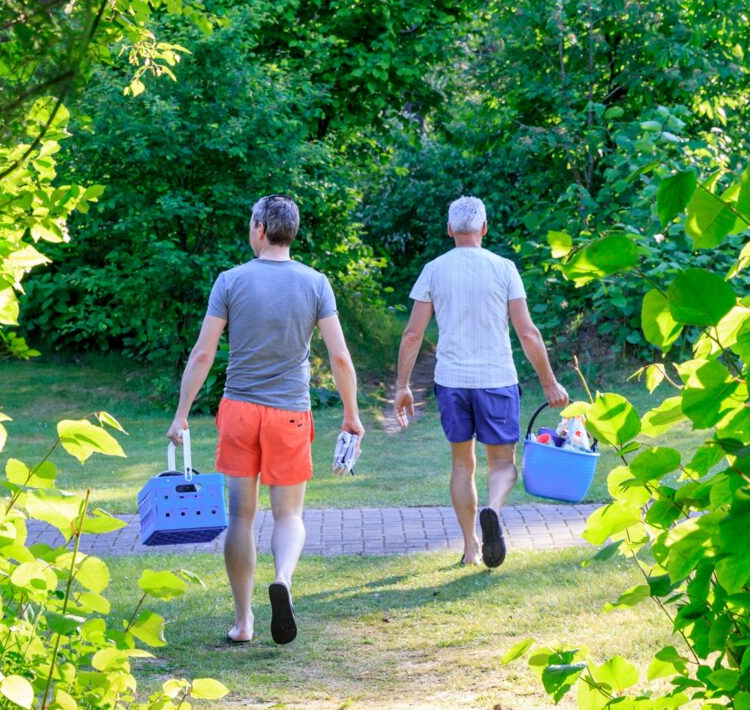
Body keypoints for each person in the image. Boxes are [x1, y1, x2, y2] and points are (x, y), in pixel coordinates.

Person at [169, 195, 366, 645]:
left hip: (239, 411)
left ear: (260, 228)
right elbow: (339, 356)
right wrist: (351, 414)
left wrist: (181, 414)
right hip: (290, 413)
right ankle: (283, 579)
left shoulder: (230, 280)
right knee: (288, 513)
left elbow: (203, 354)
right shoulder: (316, 283)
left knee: (241, 517)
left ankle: (243, 622)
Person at [391, 196, 570, 569]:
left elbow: (412, 335)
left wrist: (402, 387)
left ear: (449, 230)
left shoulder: (434, 270)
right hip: (496, 379)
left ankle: (471, 548)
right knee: (503, 464)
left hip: (451, 383)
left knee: (462, 465)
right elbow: (528, 333)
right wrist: (550, 383)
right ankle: (493, 508)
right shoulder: (504, 268)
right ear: (484, 228)